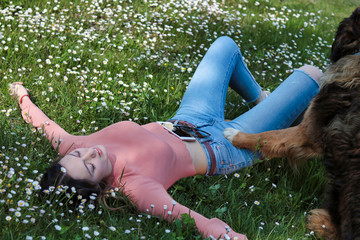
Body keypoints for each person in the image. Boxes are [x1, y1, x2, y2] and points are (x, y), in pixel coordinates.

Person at [10, 36, 322, 240]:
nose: (92, 154)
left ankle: (260, 101)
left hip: (190, 116)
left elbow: (45, 125)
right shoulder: (135, 188)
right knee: (312, 75)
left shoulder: (75, 146)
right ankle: (282, 120)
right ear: (102, 188)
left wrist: (22, 97)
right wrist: (226, 234)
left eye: (80, 156)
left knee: (224, 46)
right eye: (91, 167)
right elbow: (191, 218)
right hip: (226, 148)